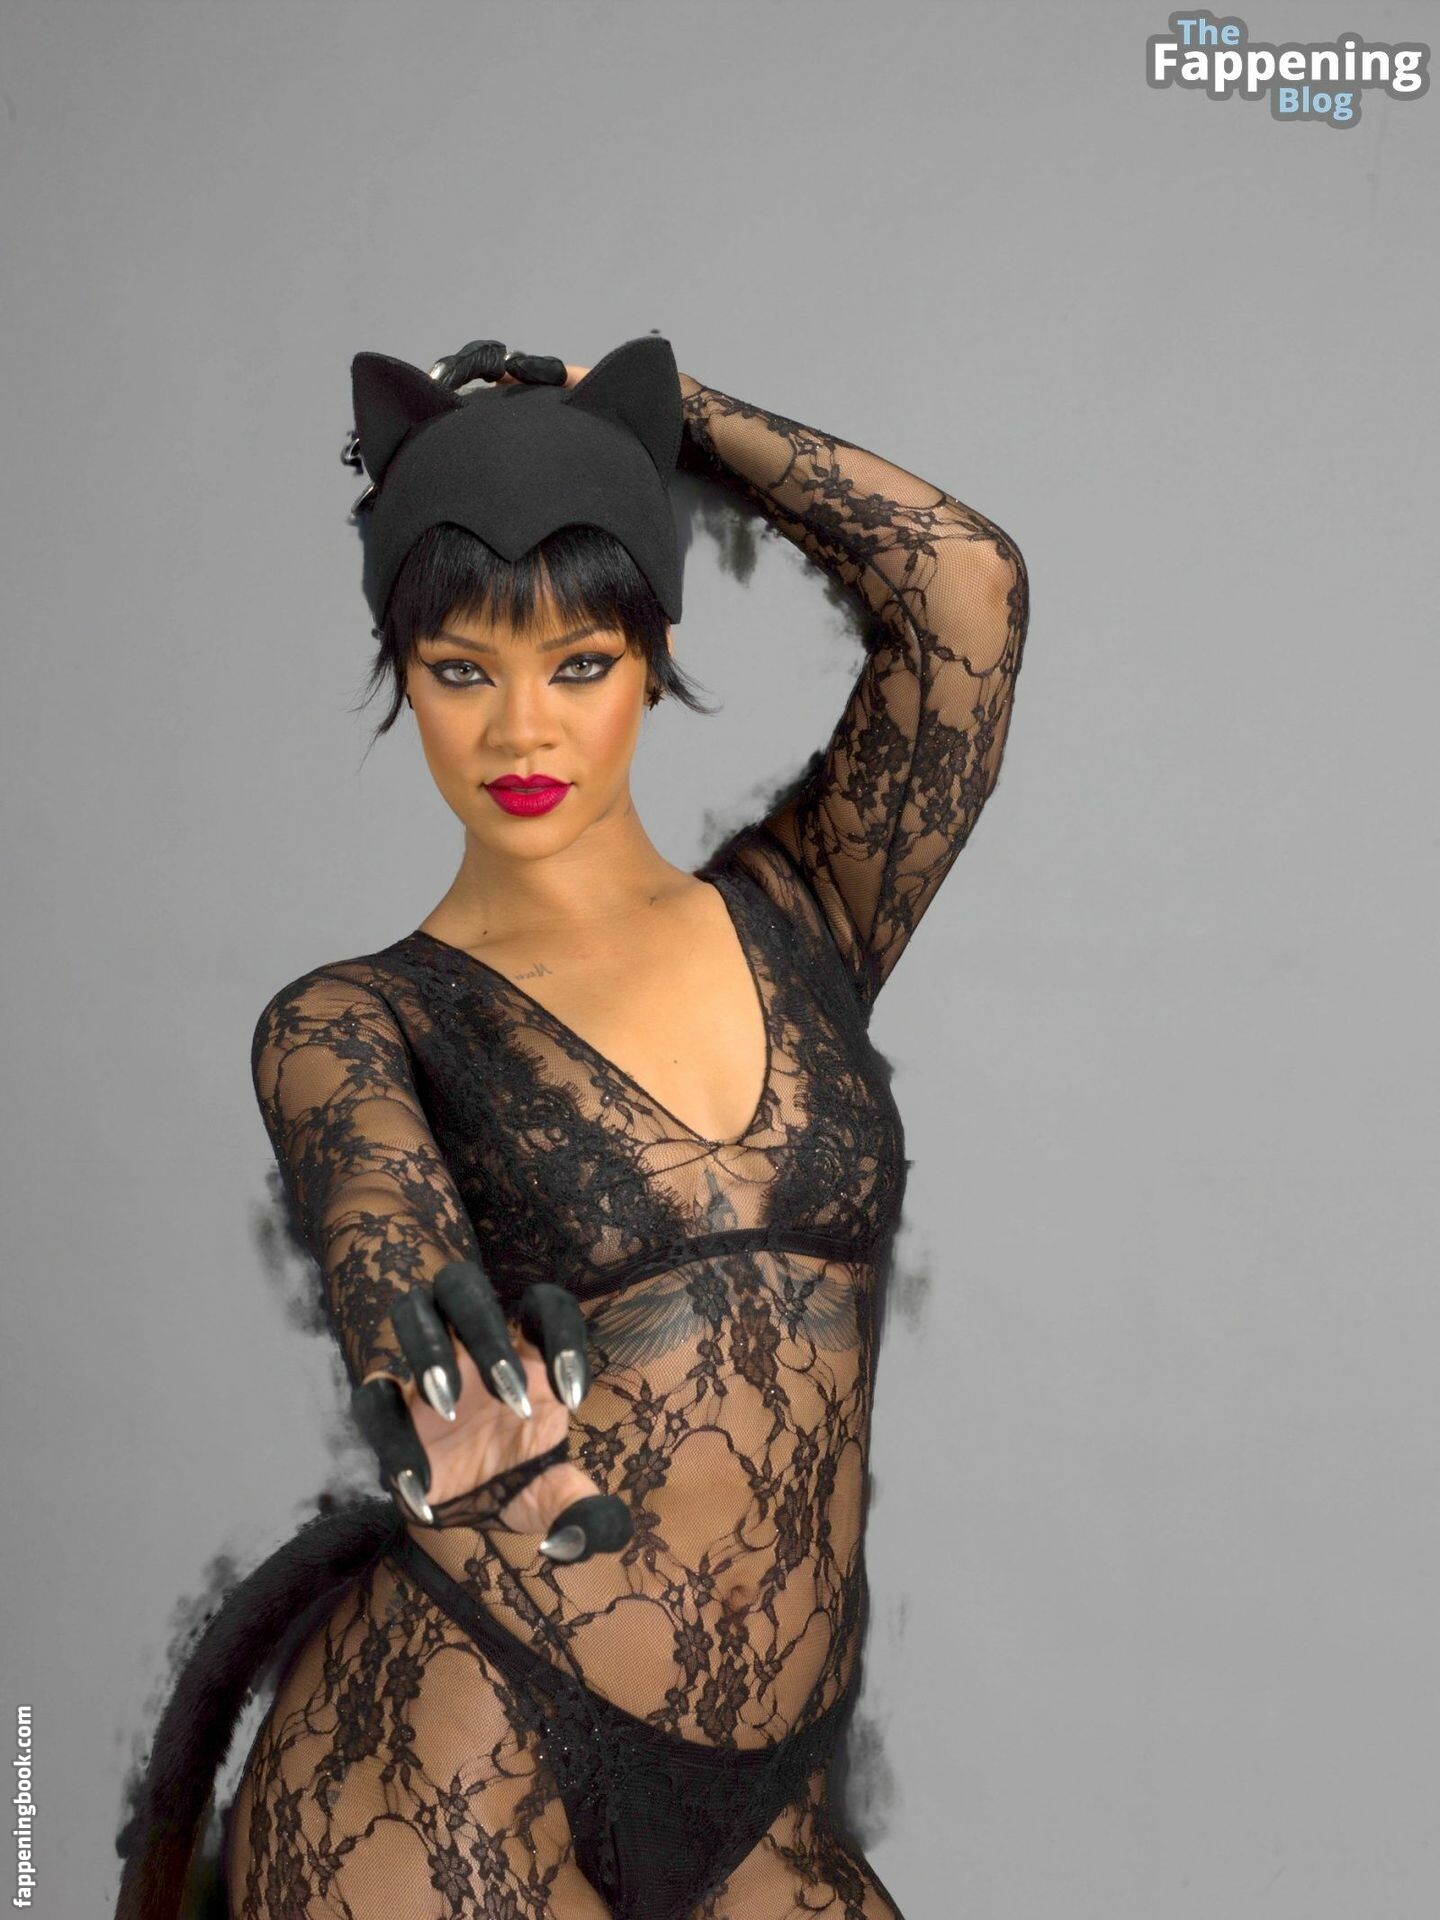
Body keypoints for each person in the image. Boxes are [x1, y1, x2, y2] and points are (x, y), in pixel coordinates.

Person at [113, 334, 1030, 1920]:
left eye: (580, 666)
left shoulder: (808, 920)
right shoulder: (351, 1021)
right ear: (404, 677)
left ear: (652, 658)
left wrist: (675, 426)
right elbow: (387, 1245)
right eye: (462, 670)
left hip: (767, 1802)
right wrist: (458, 1407)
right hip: (453, 1760)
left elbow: (968, 593)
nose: (520, 731)